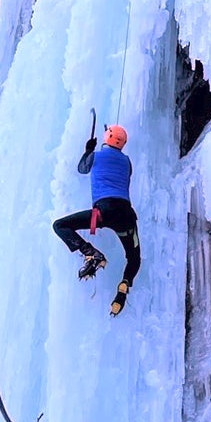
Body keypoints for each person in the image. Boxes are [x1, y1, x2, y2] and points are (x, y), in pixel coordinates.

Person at [52, 123, 142, 316]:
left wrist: (88, 150)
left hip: (102, 212)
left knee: (60, 225)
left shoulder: (96, 156)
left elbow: (82, 169)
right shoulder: (127, 162)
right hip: (126, 215)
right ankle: (124, 286)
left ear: (106, 138)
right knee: (134, 258)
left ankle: (90, 252)